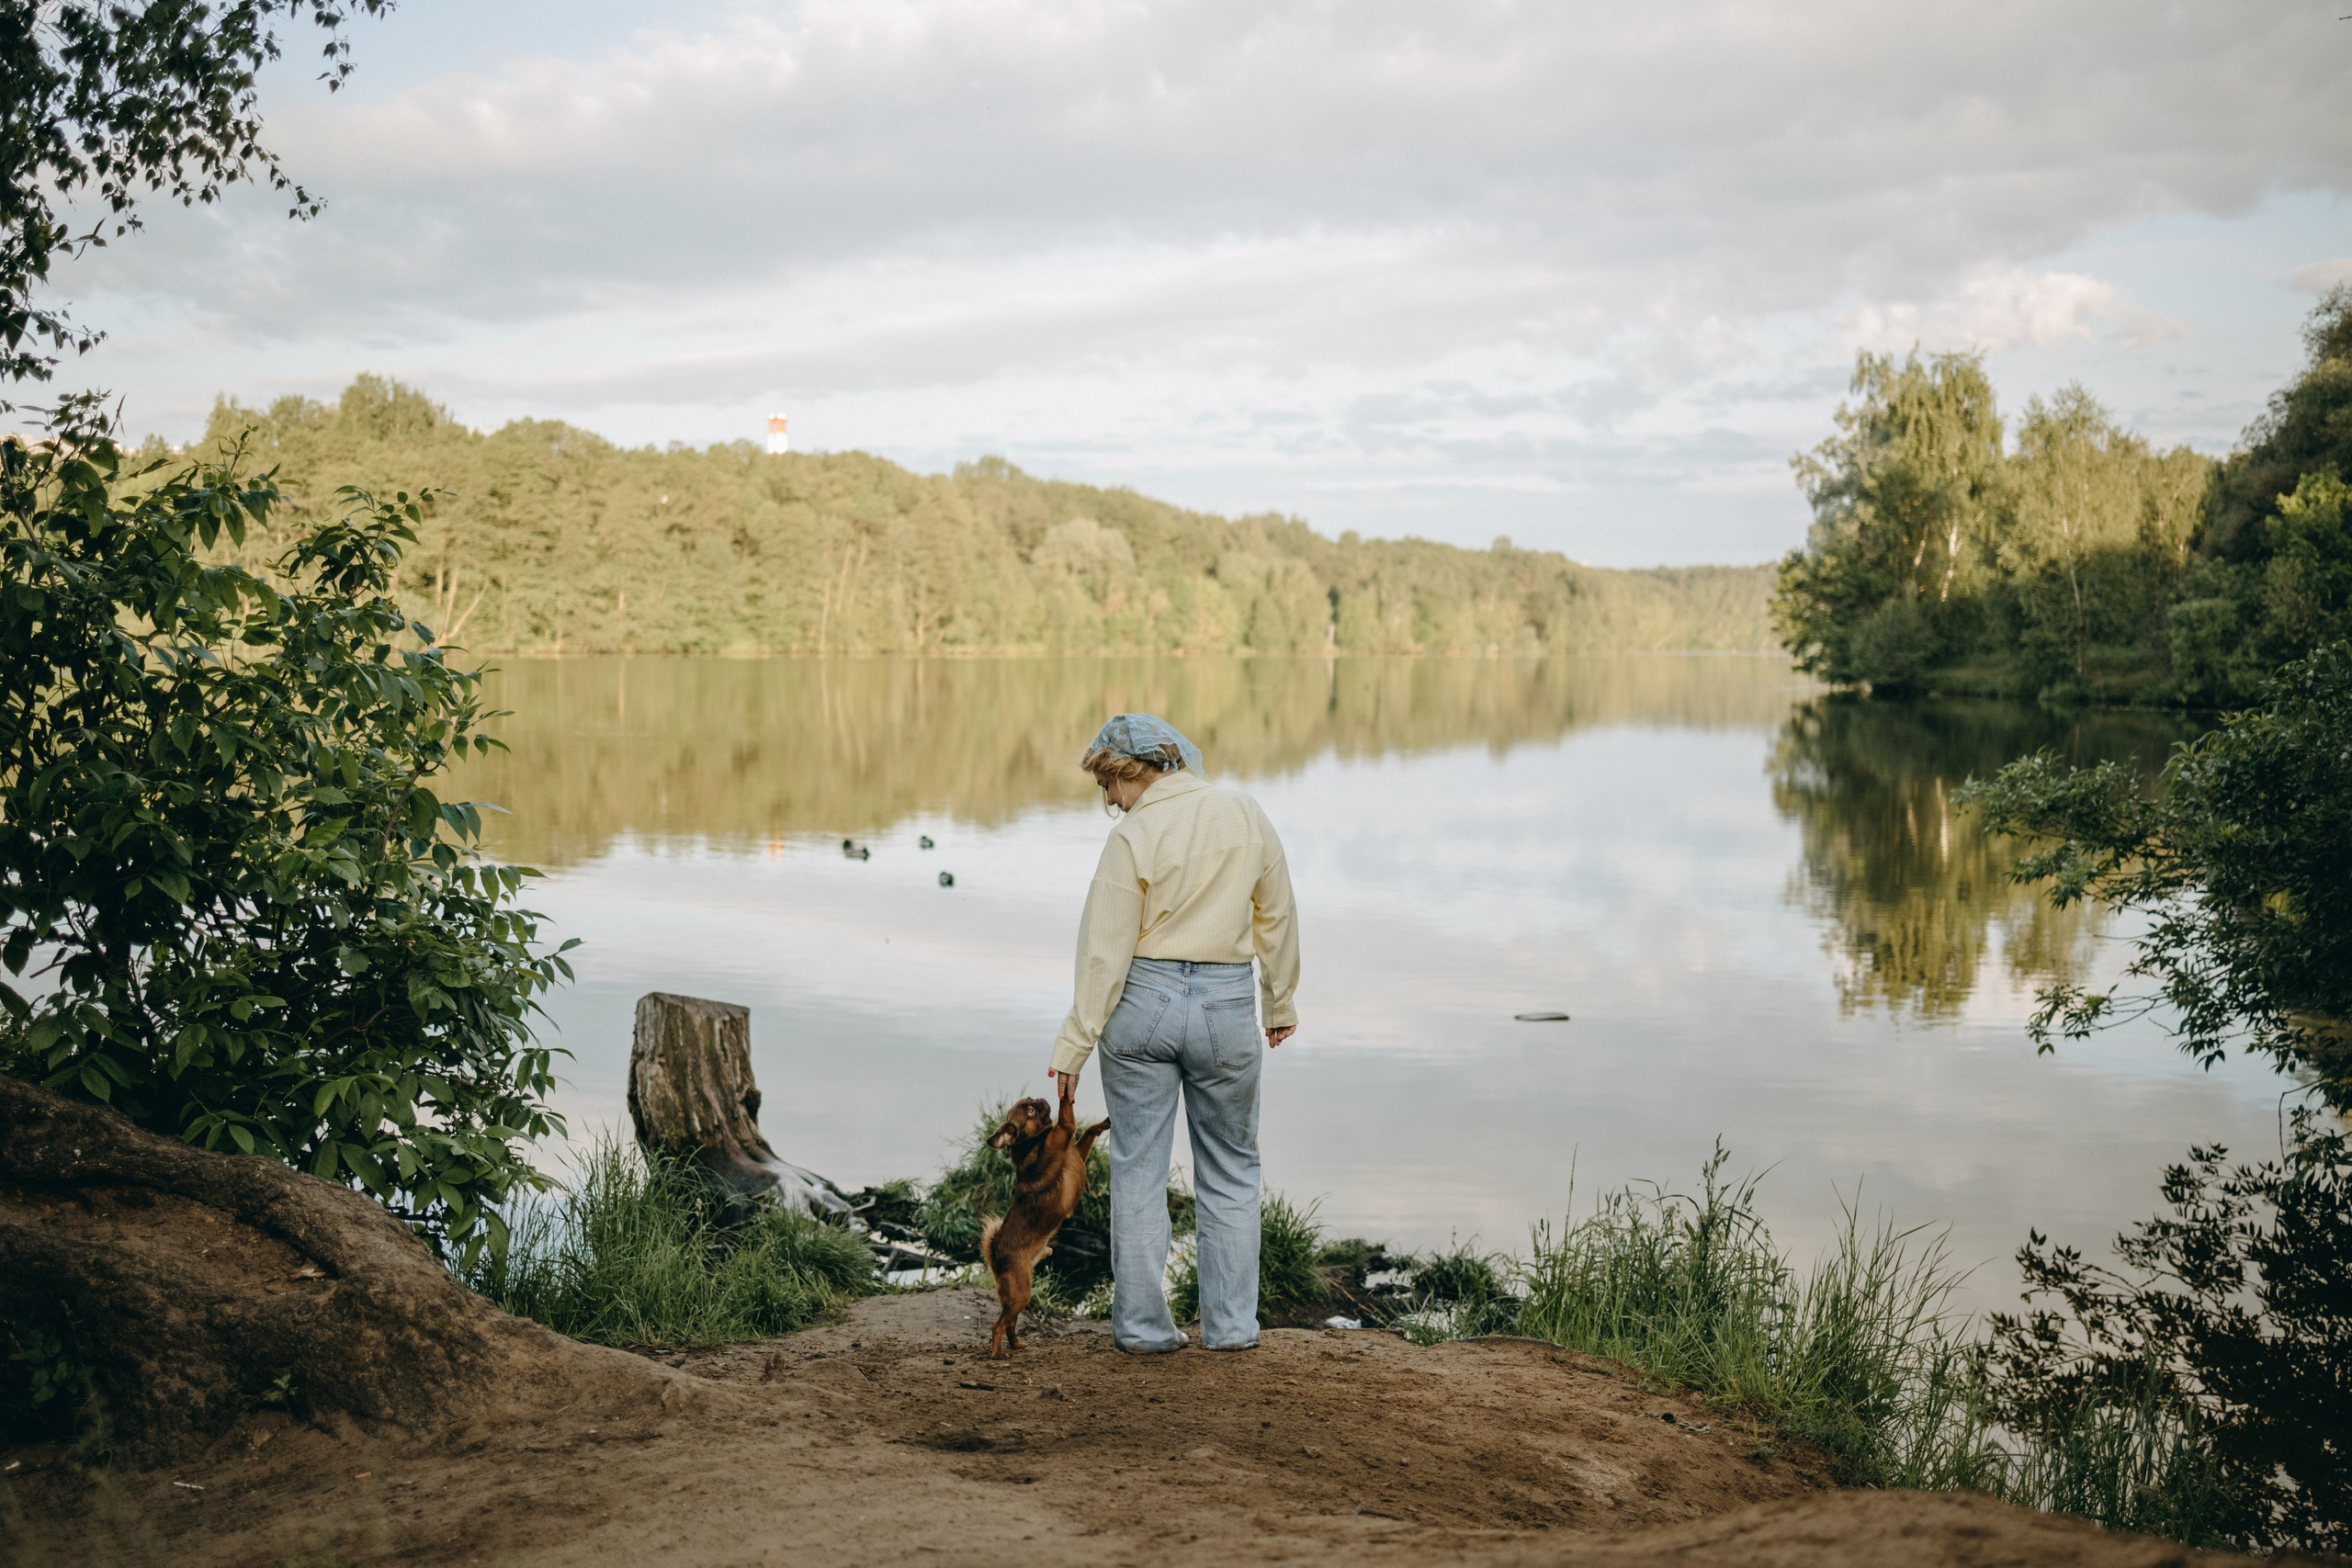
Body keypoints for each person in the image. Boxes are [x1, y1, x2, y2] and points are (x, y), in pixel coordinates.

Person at [1049, 714, 1299, 1353]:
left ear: (1132, 770)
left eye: (1108, 784)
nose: (1110, 801)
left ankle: (1141, 1329)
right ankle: (1231, 1328)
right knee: (1232, 1168)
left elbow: (1104, 951)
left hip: (1143, 1001)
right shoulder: (1245, 814)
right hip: (1225, 1003)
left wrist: (1075, 1043)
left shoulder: (1133, 835)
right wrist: (1278, 1000)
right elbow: (1276, 912)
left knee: (1138, 1169)